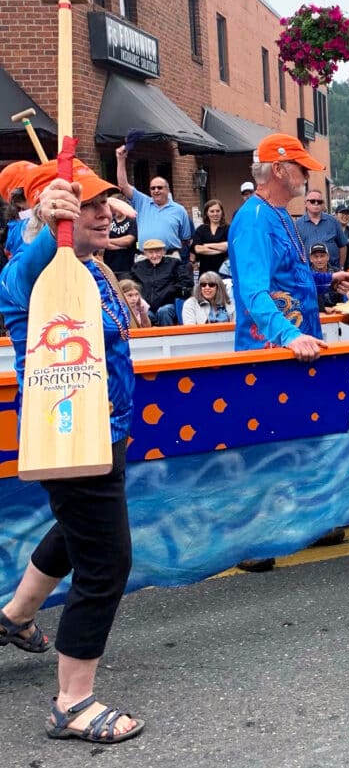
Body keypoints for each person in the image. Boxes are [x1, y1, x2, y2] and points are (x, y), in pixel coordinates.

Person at [0, 161, 144, 743]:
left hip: (107, 429)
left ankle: (14, 617)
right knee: (106, 563)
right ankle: (73, 701)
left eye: (105, 201)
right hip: (69, 434)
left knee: (73, 529)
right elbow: (21, 274)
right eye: (87, 204)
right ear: (54, 215)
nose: (103, 211)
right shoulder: (34, 272)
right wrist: (45, 222)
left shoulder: (94, 267)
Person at [228, 133, 349, 362]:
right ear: (278, 170)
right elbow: (253, 291)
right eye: (301, 168)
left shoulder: (279, 213)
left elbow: (288, 276)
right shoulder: (254, 220)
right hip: (272, 355)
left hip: (298, 348)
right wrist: (289, 335)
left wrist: (328, 280)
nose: (307, 175)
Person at [114, 146, 192, 257]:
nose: (156, 191)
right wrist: (120, 159)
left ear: (168, 189)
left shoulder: (179, 210)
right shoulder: (142, 202)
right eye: (153, 188)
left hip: (169, 257)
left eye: (160, 188)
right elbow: (123, 185)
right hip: (145, 257)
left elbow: (185, 239)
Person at [129, 239, 193, 326]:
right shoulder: (138, 267)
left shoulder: (174, 263)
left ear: (163, 251)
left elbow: (186, 281)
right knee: (144, 314)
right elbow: (130, 284)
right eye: (150, 252)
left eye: (158, 252)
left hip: (168, 305)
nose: (154, 256)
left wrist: (170, 290)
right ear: (145, 253)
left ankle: (169, 339)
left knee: (163, 311)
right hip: (147, 307)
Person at [297, 188, 349, 269]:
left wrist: (340, 267)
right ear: (305, 203)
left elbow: (342, 246)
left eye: (319, 201)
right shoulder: (297, 225)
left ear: (323, 204)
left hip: (332, 272)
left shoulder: (333, 222)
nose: (316, 203)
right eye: (312, 201)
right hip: (307, 273)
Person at [191, 198, 230, 275]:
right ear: (207, 213)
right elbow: (198, 249)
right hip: (205, 271)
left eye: (218, 211)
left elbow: (228, 246)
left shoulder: (228, 228)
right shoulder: (201, 229)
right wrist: (221, 250)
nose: (215, 214)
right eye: (212, 211)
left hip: (223, 271)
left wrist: (207, 245)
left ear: (222, 212)